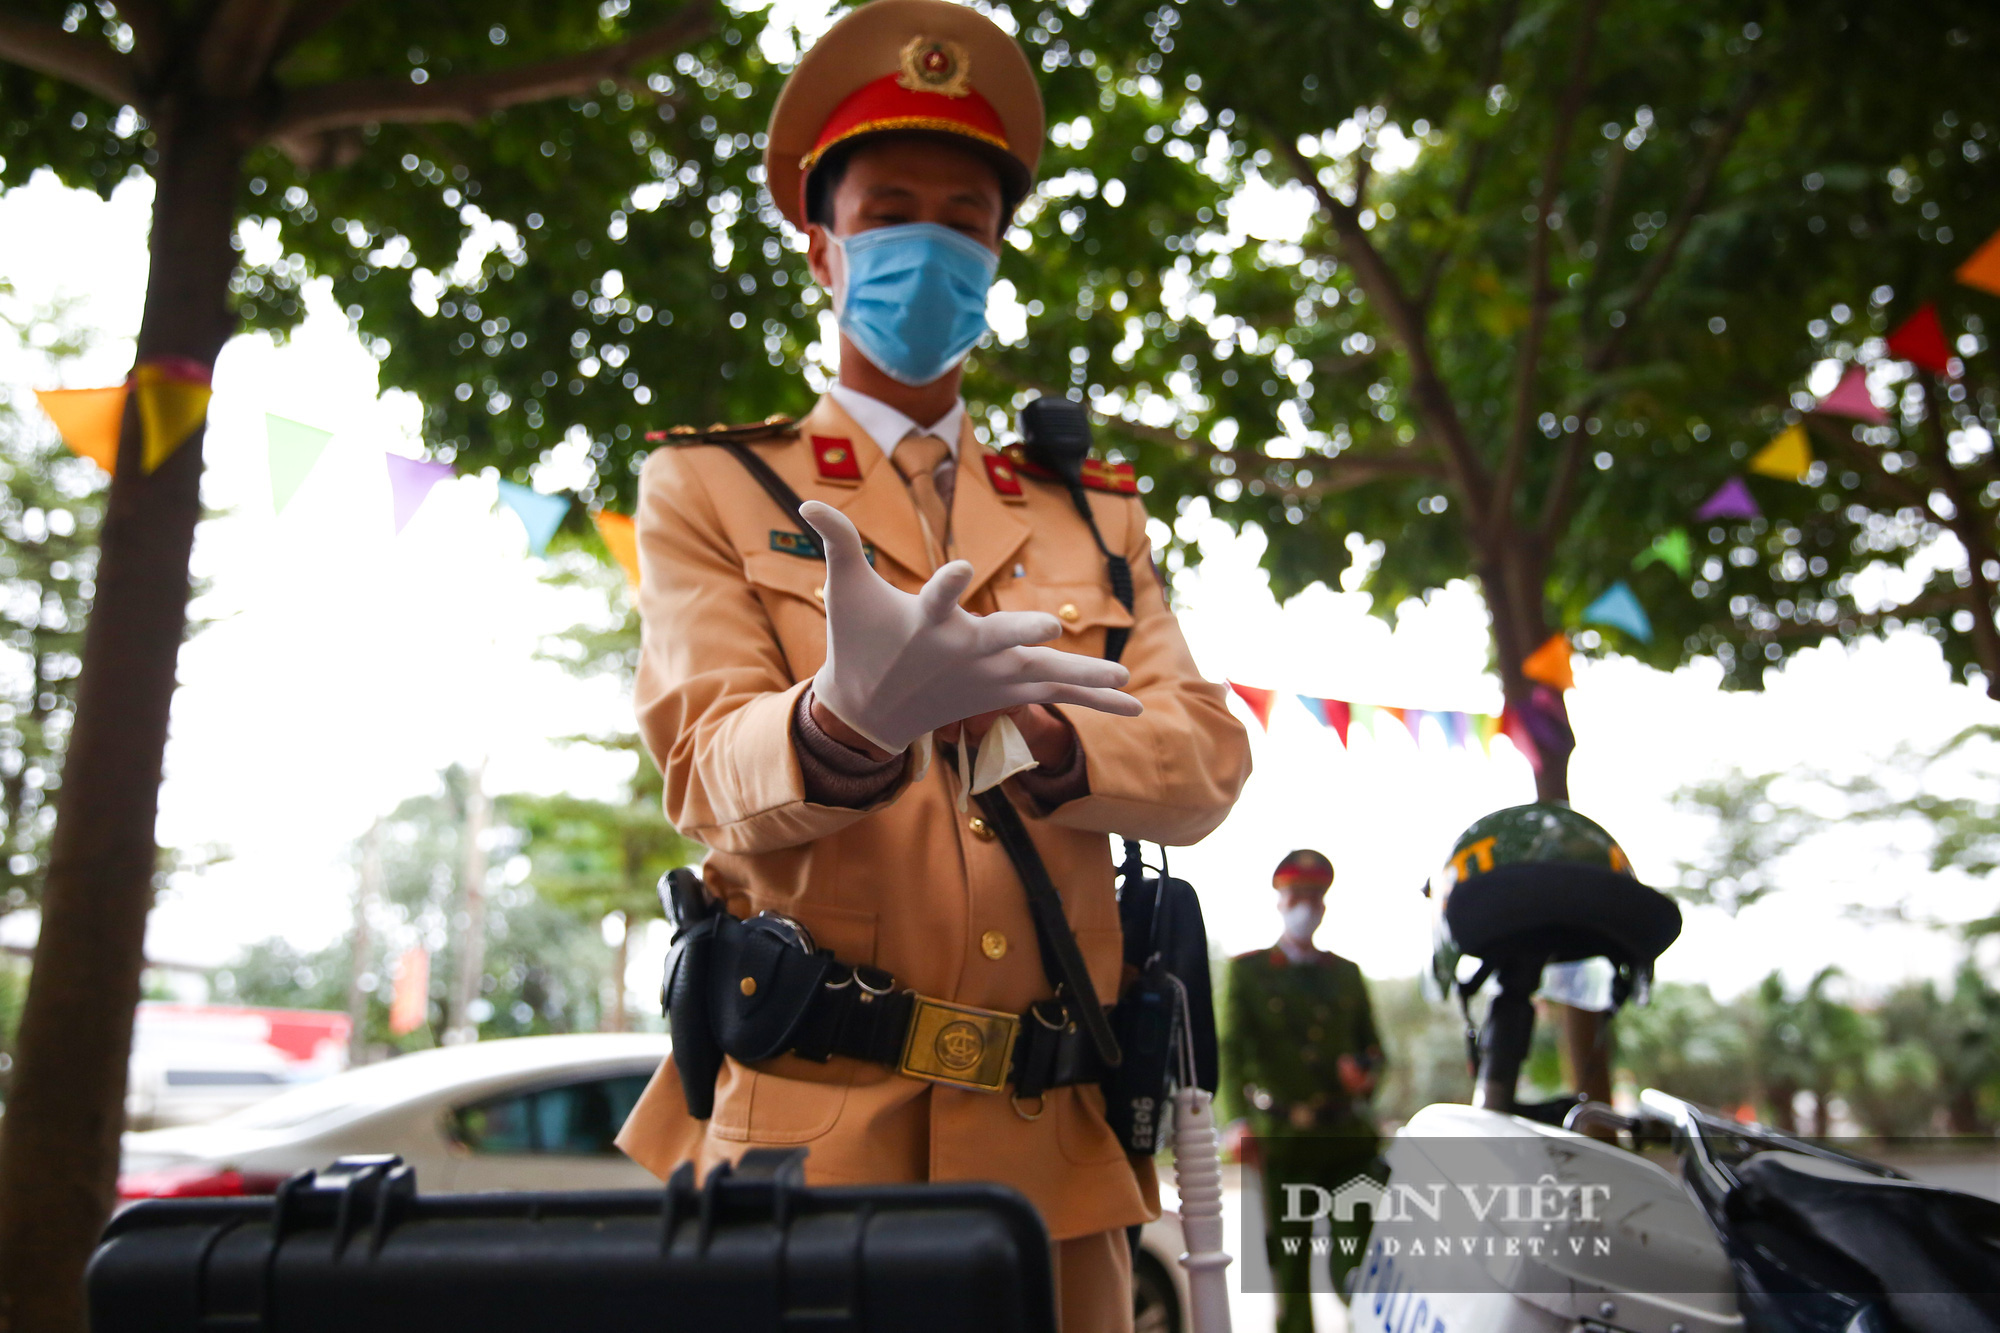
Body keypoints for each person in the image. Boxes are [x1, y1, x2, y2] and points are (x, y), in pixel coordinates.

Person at [612, 3, 1254, 1329]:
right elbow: (703, 764)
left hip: (1059, 1162)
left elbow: (1202, 756)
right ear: (822, 246)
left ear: (998, 252)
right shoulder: (713, 486)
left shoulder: (1093, 512)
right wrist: (846, 723)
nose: (932, 244)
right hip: (805, 1150)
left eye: (965, 222)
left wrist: (1051, 742)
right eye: (893, 208)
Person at [1221, 850, 1384, 1333]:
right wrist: (1236, 1121)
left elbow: (1374, 1049)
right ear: (1279, 902)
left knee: (1358, 1261)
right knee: (1288, 1271)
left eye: (1314, 898)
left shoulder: (1346, 973)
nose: (1305, 907)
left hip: (1346, 1141)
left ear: (1325, 906)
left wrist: (1367, 1074)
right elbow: (1230, 1050)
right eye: (1297, 897)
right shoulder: (1249, 972)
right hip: (1284, 1141)